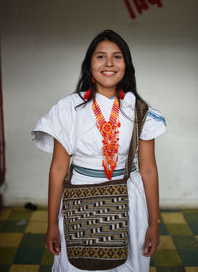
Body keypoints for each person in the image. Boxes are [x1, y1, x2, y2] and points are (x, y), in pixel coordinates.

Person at [31, 30, 166, 272]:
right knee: (76, 264)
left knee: (128, 264)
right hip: (79, 199)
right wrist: (51, 223)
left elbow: (148, 170)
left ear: (126, 64)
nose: (109, 64)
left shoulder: (139, 110)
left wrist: (153, 224)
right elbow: (59, 169)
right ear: (89, 64)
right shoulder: (69, 108)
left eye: (117, 56)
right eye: (100, 56)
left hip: (129, 200)